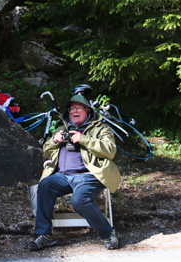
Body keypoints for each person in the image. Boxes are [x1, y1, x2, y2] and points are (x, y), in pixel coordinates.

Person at [27, 93, 121, 251]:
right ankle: (44, 234)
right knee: (44, 185)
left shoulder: (100, 128)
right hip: (62, 176)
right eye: (71, 108)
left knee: (79, 200)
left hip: (89, 175)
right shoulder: (62, 128)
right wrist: (54, 140)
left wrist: (83, 139)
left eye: (78, 107)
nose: (74, 111)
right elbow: (47, 151)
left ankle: (108, 233)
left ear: (88, 111)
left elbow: (110, 151)